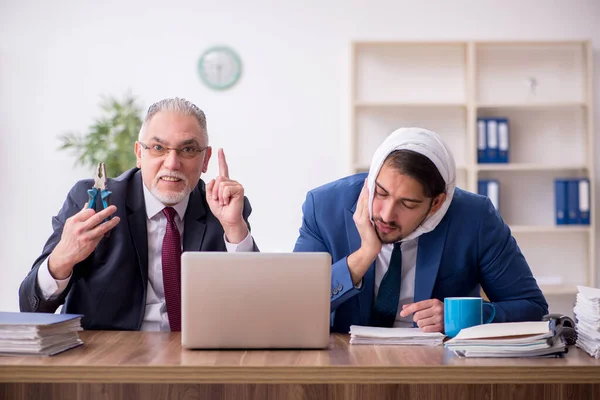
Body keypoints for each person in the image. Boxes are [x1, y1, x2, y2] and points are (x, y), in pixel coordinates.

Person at [19, 97, 257, 331]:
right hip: (109, 358)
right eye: (158, 148)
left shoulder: (224, 207)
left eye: (187, 149)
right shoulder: (91, 202)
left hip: (196, 357)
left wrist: (235, 228)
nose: (172, 163)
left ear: (205, 160)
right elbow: (32, 308)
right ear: (139, 154)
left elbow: (255, 304)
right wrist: (62, 259)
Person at [294, 127, 547, 333]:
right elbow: (294, 307)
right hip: (345, 366)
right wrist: (363, 255)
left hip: (434, 370)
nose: (386, 214)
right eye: (381, 193)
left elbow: (532, 307)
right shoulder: (324, 207)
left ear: (436, 203)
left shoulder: (475, 218)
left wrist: (460, 317)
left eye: (408, 204)